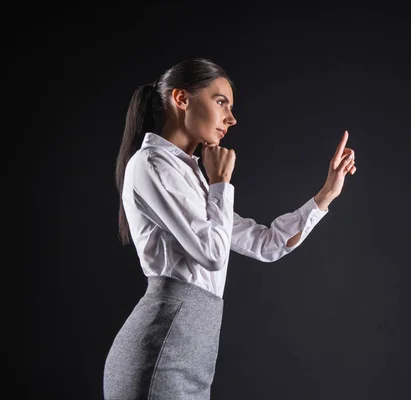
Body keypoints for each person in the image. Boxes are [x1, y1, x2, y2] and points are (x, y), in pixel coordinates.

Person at [103, 57, 357, 399]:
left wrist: (327, 194)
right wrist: (221, 183)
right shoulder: (150, 164)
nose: (231, 118)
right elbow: (211, 255)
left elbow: (266, 245)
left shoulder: (189, 175)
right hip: (160, 349)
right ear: (181, 99)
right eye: (221, 101)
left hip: (192, 348)